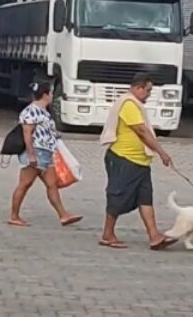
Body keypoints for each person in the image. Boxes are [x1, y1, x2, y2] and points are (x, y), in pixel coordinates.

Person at [98, 73, 178, 250]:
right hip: (124, 159)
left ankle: (154, 236)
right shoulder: (128, 104)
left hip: (141, 162)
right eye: (148, 90)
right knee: (117, 195)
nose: (149, 94)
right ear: (138, 88)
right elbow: (141, 131)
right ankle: (107, 234)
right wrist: (161, 152)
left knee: (145, 199)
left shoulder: (136, 104)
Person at [9, 82, 82, 228]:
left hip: (46, 153)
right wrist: (31, 155)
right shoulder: (31, 112)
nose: (52, 96)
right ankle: (14, 215)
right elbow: (27, 134)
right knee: (24, 184)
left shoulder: (43, 112)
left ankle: (63, 215)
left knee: (52, 184)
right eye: (51, 93)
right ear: (45, 95)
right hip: (37, 151)